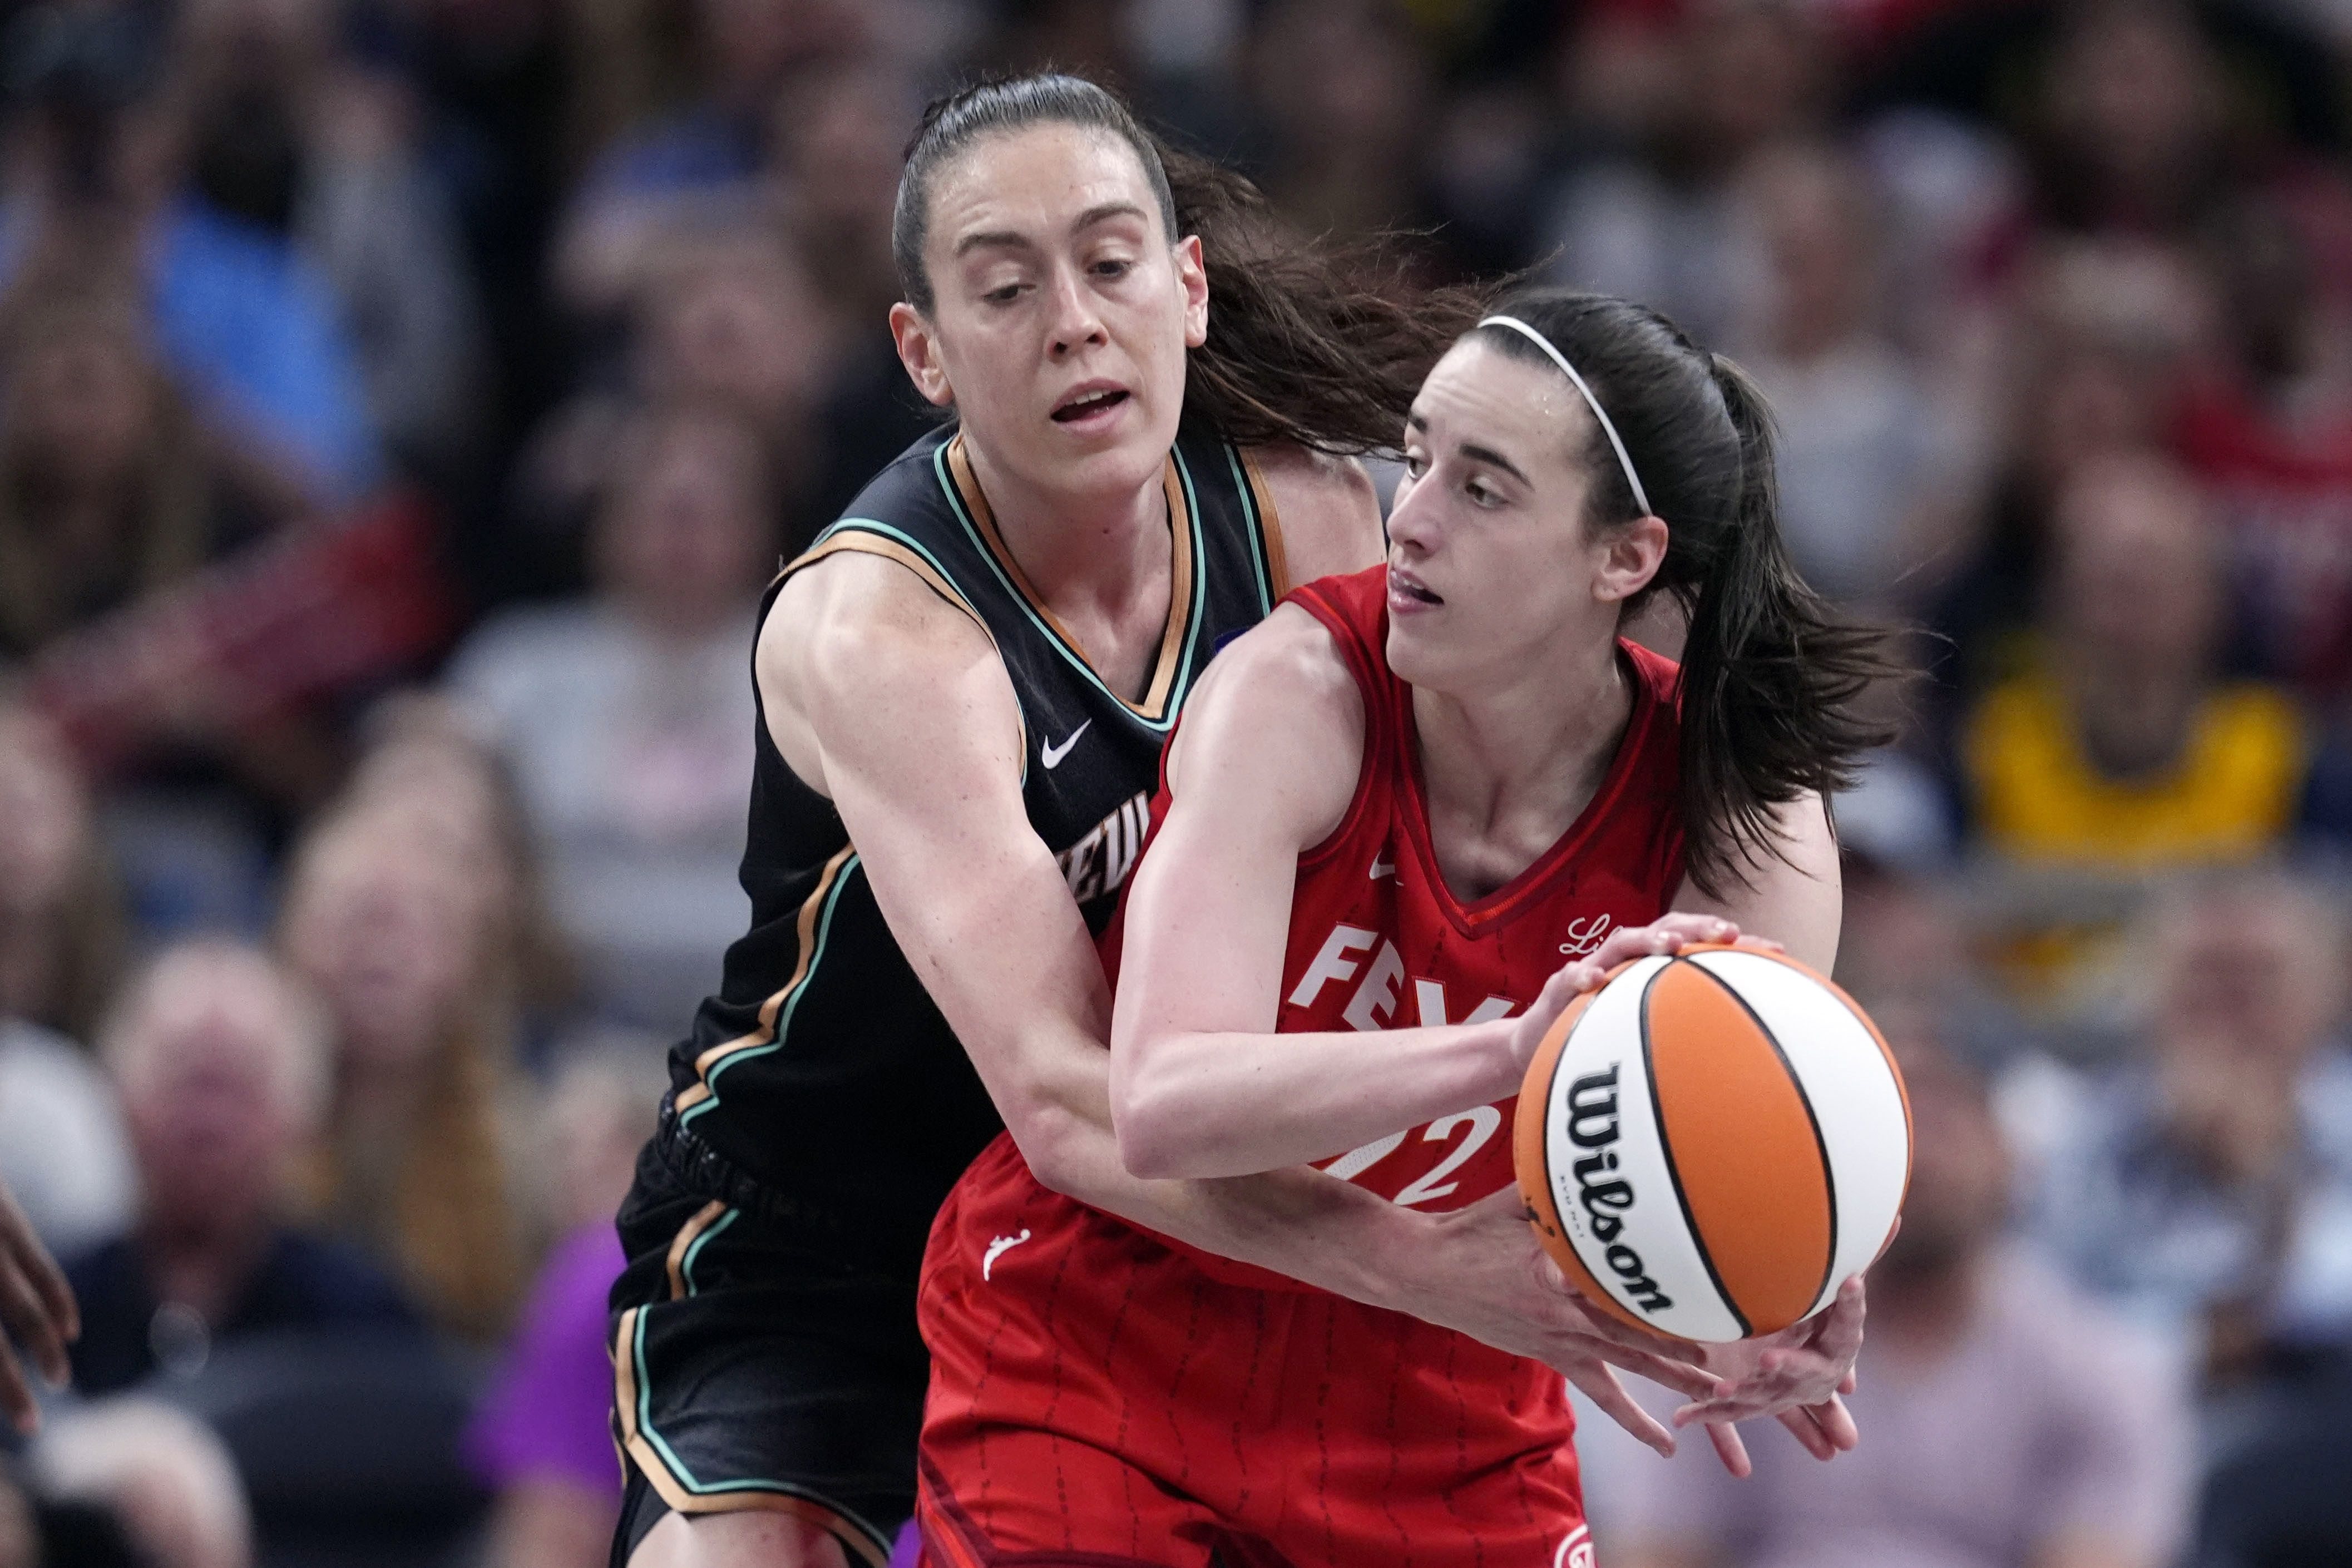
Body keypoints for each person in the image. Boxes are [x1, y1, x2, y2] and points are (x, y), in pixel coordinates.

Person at [606, 73, 1793, 1568]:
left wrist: (1780, 1235)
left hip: (1168, 1233)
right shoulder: (882, 632)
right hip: (827, 1231)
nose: (1073, 323)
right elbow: (1068, 1098)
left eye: (1110, 263)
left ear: (1188, 290)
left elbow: (1556, 806)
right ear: (923, 351)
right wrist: (1432, 1259)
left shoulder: (1314, 520)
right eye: (1005, 288)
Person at [913, 289, 1885, 1565]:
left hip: (1446, 1383)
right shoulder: (1297, 689)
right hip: (1108, 1339)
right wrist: (1511, 1049)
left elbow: (1727, 1131)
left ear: (1623, 558)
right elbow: (1161, 1100)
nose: (1409, 517)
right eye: (1416, 458)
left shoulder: (1744, 809)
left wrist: (1792, 1267)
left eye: (1481, 489)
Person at [1603, 1035, 2191, 1568]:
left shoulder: (2100, 1368)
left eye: (1942, 1121)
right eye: (1885, 1125)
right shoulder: (1721, 1351)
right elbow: (1657, 1547)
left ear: (2006, 1157)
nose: (1919, 1154)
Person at [61, 939, 419, 1397]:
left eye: (236, 1087)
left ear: (301, 1115)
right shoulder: (48, 1311)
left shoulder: (364, 1324)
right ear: (121, 1097)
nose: (207, 1121)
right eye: (186, 1082)